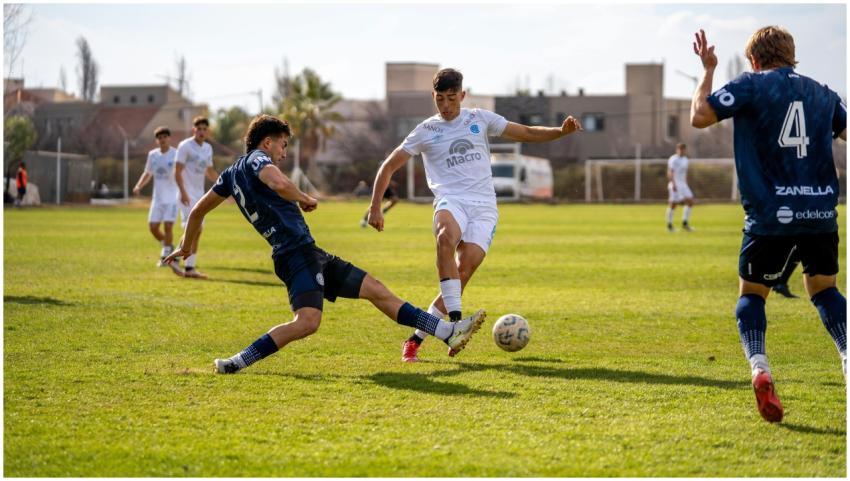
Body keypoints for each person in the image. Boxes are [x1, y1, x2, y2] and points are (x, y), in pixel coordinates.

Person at [163, 114, 486, 374]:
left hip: (309, 252)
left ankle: (446, 331)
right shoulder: (257, 161)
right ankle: (236, 362)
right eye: (283, 145)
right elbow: (276, 181)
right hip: (294, 255)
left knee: (375, 289)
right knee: (307, 322)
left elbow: (197, 211)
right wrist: (303, 196)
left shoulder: (229, 175)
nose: (284, 153)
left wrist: (188, 246)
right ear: (267, 142)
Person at [368, 68, 582, 362]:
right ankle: (455, 320)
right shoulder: (426, 131)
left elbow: (527, 133)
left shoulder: (479, 119)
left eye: (452, 98)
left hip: (484, 208)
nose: (445, 105)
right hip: (450, 200)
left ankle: (415, 339)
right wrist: (375, 206)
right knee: (444, 237)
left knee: (462, 272)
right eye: (440, 99)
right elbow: (389, 166)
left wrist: (560, 132)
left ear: (463, 96)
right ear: (433, 97)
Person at [691, 27, 846, 423]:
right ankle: (847, 355)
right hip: (819, 214)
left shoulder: (751, 85)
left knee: (753, 295)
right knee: (825, 290)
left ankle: (760, 367)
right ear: (792, 56)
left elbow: (699, 116)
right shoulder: (824, 93)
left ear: (754, 61)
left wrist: (707, 69)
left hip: (769, 216)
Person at [132, 126, 184, 277]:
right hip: (158, 198)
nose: (162, 140)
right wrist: (138, 185)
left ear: (169, 138)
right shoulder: (153, 155)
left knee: (168, 226)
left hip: (173, 198)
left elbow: (181, 172)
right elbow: (148, 173)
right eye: (159, 137)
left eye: (165, 137)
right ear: (157, 140)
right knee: (153, 228)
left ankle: (165, 256)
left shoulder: (176, 154)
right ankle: (168, 245)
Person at [175, 116, 219, 279]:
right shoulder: (185, 146)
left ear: (208, 131)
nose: (201, 131)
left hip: (199, 195)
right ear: (193, 130)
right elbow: (177, 171)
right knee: (195, 228)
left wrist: (226, 184)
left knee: (198, 231)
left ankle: (189, 267)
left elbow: (209, 171)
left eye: (204, 129)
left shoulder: (207, 148)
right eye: (198, 128)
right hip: (185, 195)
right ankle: (175, 258)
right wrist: (183, 192)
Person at [666, 143, 696, 232]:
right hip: (675, 184)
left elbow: (684, 173)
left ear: (685, 150)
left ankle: (685, 223)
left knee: (691, 201)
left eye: (683, 149)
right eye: (680, 149)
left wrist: (686, 183)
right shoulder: (673, 159)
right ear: (677, 149)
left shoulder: (686, 160)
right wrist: (673, 184)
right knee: (673, 204)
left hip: (683, 184)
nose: (681, 151)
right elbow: (670, 172)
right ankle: (670, 225)